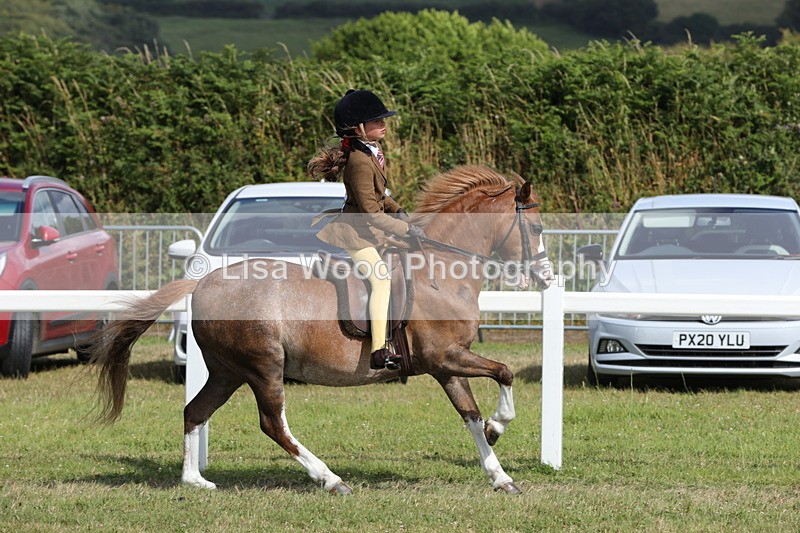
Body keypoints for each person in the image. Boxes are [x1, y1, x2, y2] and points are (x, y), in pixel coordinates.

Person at [308, 89, 424, 371]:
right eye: (376, 120)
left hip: (370, 230)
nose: (383, 124)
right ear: (358, 127)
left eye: (383, 119)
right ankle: (379, 351)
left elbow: (379, 196)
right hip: (356, 233)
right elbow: (371, 211)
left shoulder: (371, 152)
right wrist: (403, 230)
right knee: (381, 279)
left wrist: (400, 213)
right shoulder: (359, 161)